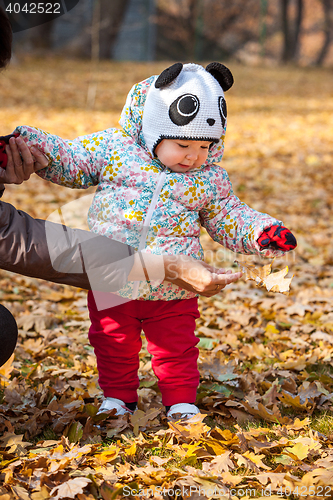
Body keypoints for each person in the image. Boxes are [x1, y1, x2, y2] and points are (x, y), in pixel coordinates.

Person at [6, 62, 296, 419]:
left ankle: (181, 402)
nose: (194, 156)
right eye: (182, 144)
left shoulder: (209, 179)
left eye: (206, 145)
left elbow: (229, 216)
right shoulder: (115, 151)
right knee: (112, 342)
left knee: (176, 347)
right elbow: (73, 159)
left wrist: (261, 232)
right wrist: (33, 145)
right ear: (152, 129)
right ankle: (117, 399)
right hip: (112, 273)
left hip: (175, 286)